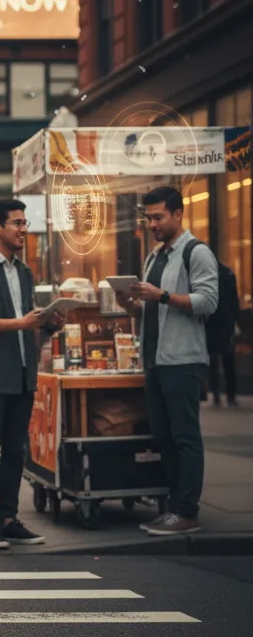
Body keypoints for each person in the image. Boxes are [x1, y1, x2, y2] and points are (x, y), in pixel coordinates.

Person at [116, 186, 218, 536]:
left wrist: (159, 295)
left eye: (158, 217)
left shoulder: (196, 252)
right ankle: (174, 507)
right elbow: (149, 310)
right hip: (155, 360)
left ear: (178, 214)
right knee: (164, 436)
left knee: (185, 436)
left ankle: (187, 510)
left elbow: (208, 301)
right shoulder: (155, 255)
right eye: (148, 217)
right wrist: (128, 301)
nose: (152, 223)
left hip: (183, 360)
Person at [0, 199, 59, 550]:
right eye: (17, 223)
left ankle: (8, 518)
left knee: (15, 450)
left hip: (24, 371)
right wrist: (23, 323)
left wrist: (48, 325)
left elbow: (28, 324)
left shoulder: (24, 271)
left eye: (25, 222)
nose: (24, 229)